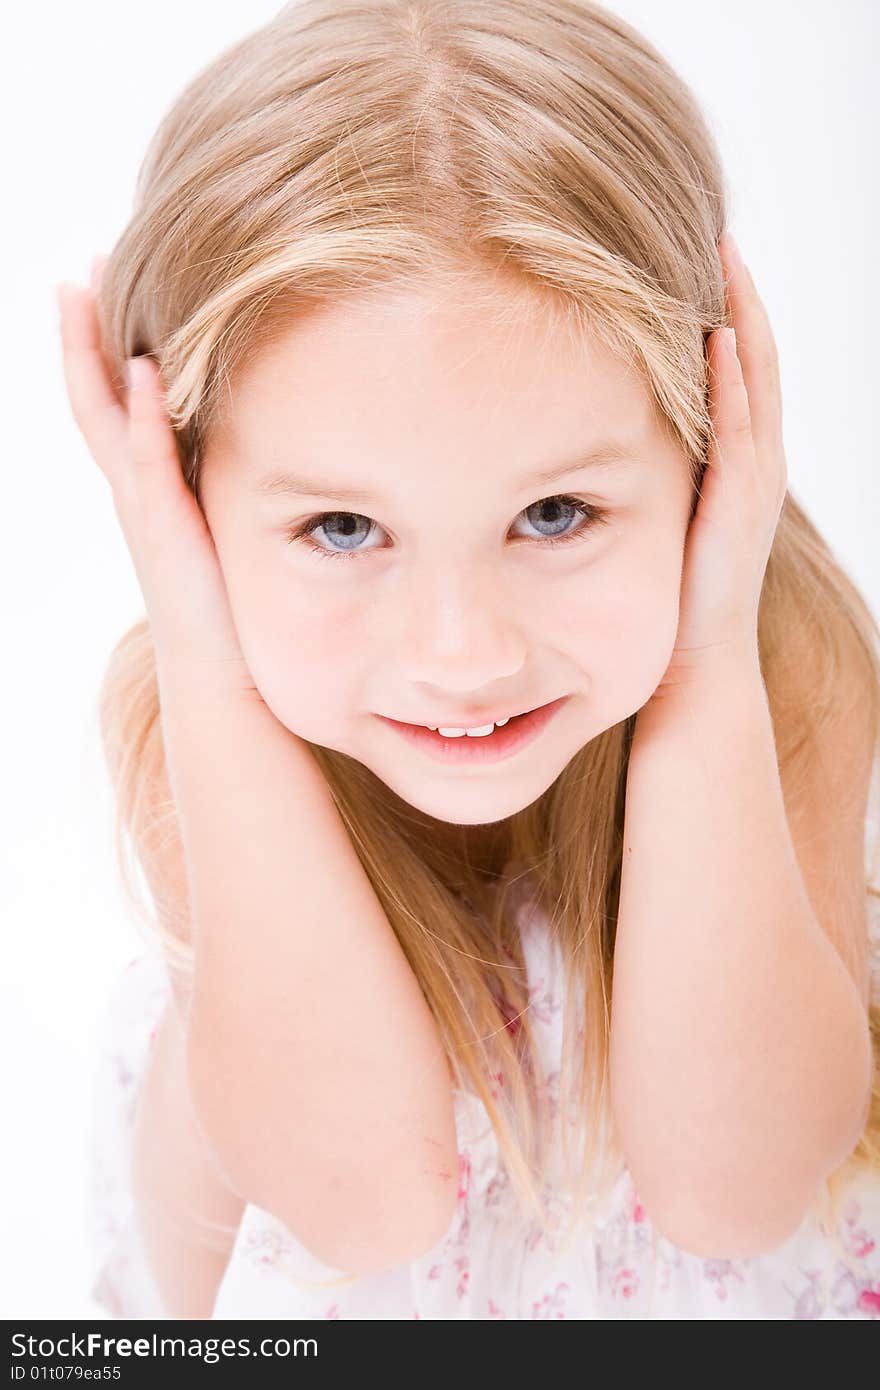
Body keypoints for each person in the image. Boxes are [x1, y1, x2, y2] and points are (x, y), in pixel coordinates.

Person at [59, 0, 880, 1319]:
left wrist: (707, 655)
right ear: (192, 494)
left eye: (556, 515)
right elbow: (366, 1201)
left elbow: (739, 1190)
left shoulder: (782, 665)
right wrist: (208, 659)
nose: (462, 655)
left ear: (714, 444)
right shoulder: (204, 715)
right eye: (341, 526)